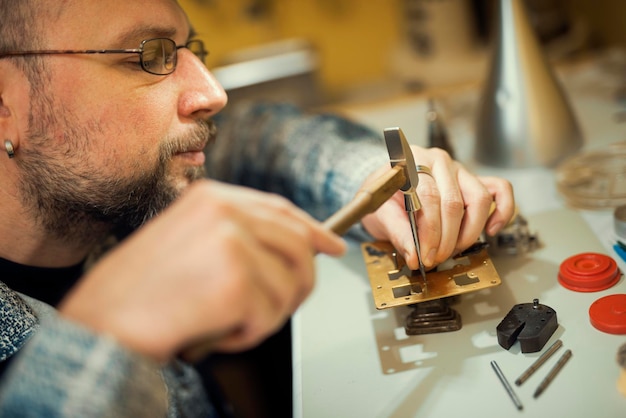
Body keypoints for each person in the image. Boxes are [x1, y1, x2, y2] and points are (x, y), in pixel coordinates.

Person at [0, 0, 515, 416]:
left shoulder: (121, 192)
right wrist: (101, 335)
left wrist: (368, 179)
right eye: (147, 55)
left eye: (188, 49)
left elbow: (256, 139)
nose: (213, 92)